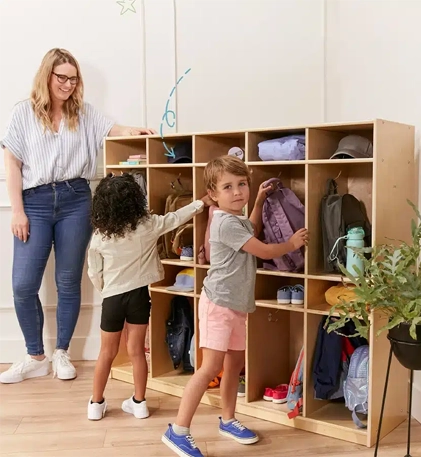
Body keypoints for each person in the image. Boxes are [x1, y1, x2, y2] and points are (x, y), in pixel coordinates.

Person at [0, 48, 156, 384]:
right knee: (23, 285)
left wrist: (135, 132)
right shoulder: (22, 113)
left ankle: (62, 354)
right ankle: (34, 355)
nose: (69, 84)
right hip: (35, 201)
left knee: (69, 281)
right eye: (62, 77)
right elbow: (12, 163)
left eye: (73, 78)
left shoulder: (83, 114)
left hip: (75, 199)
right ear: (47, 76)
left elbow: (114, 129)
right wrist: (17, 211)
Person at [162, 156, 309, 457]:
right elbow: (263, 249)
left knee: (234, 367)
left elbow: (251, 230)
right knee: (209, 369)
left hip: (236, 306)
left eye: (242, 184)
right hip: (218, 304)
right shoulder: (224, 222)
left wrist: (258, 202)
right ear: (213, 195)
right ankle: (177, 431)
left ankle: (228, 419)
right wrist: (292, 244)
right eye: (228, 187)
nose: (237, 191)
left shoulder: (237, 219)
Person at [86, 173, 212, 420]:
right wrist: (201, 203)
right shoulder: (148, 225)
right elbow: (175, 218)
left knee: (106, 353)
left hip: (112, 298)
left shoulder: (100, 236)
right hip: (138, 297)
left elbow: (94, 271)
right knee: (136, 352)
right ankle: (139, 402)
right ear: (135, 200)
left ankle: (96, 404)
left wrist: (106, 290)